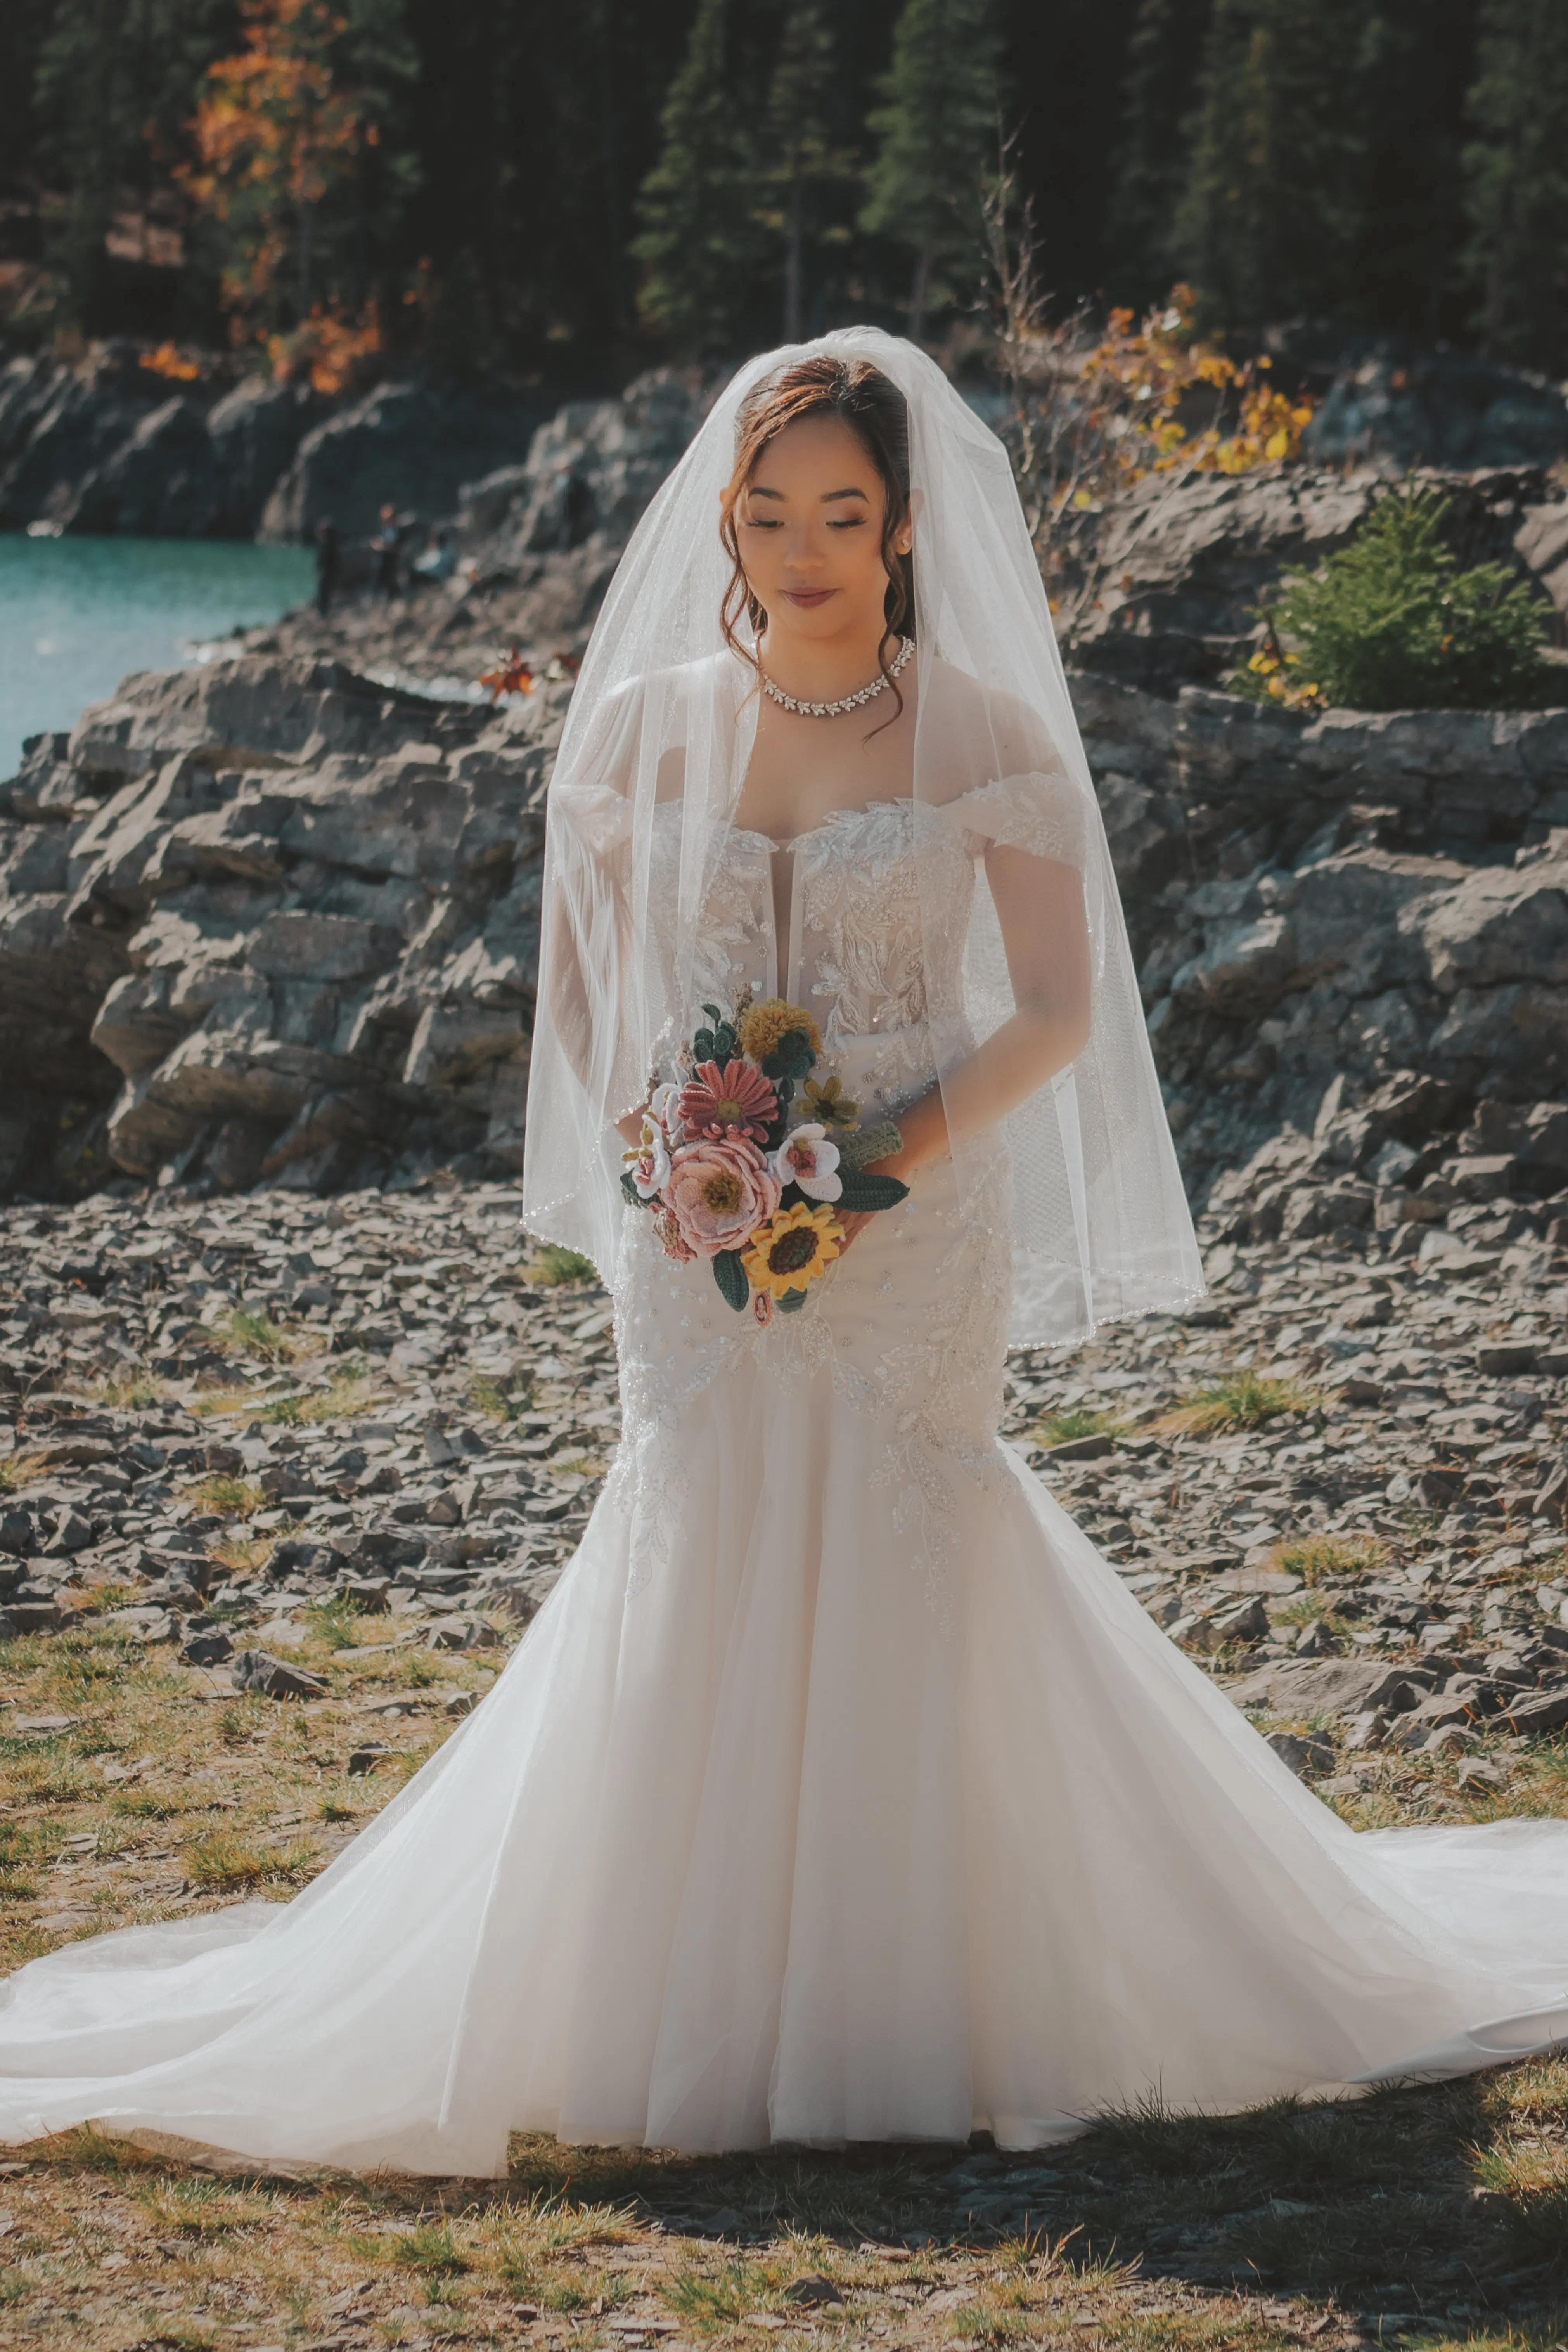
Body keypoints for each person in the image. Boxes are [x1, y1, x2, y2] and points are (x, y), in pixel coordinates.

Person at [1, 329, 1566, 2177]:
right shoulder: (645, 720)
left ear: (902, 526)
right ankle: (662, 2006)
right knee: (699, 1528)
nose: (801, 546)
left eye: (840, 510)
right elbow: (581, 1005)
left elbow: (1054, 1014)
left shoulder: (982, 730)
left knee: (909, 1525)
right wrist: (671, 1155)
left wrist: (872, 1158)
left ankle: (919, 2004)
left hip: (913, 1219)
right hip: (702, 1231)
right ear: (723, 525)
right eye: (766, 511)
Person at [313, 516, 340, 616]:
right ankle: (324, 613)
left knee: (324, 595)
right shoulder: (331, 545)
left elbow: (324, 561)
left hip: (326, 574)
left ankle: (324, 615)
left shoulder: (327, 546)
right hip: (328, 573)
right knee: (326, 595)